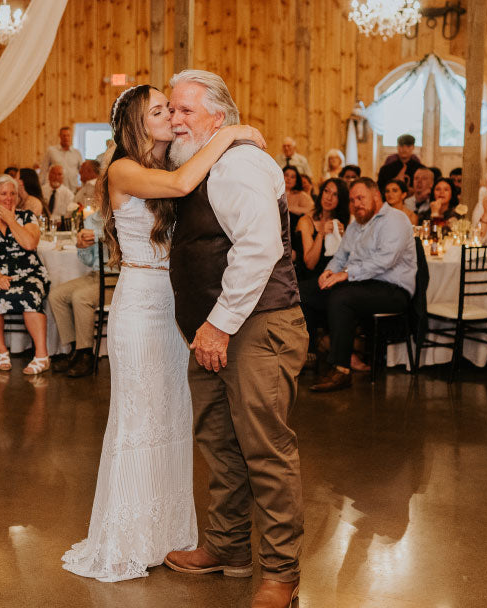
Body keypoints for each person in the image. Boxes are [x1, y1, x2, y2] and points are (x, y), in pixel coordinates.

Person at [62, 79, 267, 584]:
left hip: (174, 308)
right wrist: (233, 131)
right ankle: (125, 539)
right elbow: (180, 190)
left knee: (174, 421)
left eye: (174, 109)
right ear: (136, 123)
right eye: (160, 110)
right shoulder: (125, 170)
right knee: (138, 420)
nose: (172, 117)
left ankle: (167, 534)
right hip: (138, 305)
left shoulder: (168, 162)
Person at [160, 70, 305, 608]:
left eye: (186, 112)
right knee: (220, 444)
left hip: (256, 326)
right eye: (171, 110)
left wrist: (218, 325)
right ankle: (226, 548)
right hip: (212, 330)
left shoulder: (239, 163)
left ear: (217, 119)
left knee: (266, 451)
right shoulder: (199, 160)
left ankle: (281, 575)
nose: (175, 120)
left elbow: (258, 248)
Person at [306, 178, 417, 394]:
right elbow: (341, 255)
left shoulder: (396, 220)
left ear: (376, 196)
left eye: (361, 198)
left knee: (341, 297)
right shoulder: (356, 224)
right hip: (363, 283)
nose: (357, 204)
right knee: (306, 291)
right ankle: (309, 355)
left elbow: (385, 260)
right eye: (353, 200)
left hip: (393, 289)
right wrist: (328, 272)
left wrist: (344, 275)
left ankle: (341, 370)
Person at [0, 174, 51, 374]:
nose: (8, 198)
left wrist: (11, 220)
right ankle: (1, 350)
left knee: (30, 294)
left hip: (29, 272)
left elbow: (29, 244)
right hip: (0, 274)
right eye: (4, 194)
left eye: (13, 194)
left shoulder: (27, 217)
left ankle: (42, 356)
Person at [48, 185, 110, 378]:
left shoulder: (119, 218)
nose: (100, 197)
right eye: (98, 194)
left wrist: (99, 237)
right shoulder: (91, 220)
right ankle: (75, 348)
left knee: (80, 297)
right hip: (96, 275)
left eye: (103, 193)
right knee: (56, 295)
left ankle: (87, 355)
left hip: (117, 278)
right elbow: (90, 260)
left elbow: (121, 241)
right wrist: (82, 247)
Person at [296, 178, 349, 369]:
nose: (329, 198)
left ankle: (315, 347)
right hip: (311, 276)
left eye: (335, 195)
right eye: (327, 191)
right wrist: (321, 234)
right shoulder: (306, 220)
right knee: (303, 293)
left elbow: (349, 259)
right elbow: (309, 263)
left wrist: (341, 236)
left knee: (307, 294)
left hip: (334, 278)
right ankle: (313, 347)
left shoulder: (345, 221)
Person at [41, 126, 83, 190]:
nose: (66, 138)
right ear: (60, 136)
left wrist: (83, 186)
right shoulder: (51, 151)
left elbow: (82, 172)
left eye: (68, 135)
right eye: (64, 135)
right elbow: (43, 170)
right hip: (55, 188)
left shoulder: (77, 153)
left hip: (72, 188)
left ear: (71, 136)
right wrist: (41, 187)